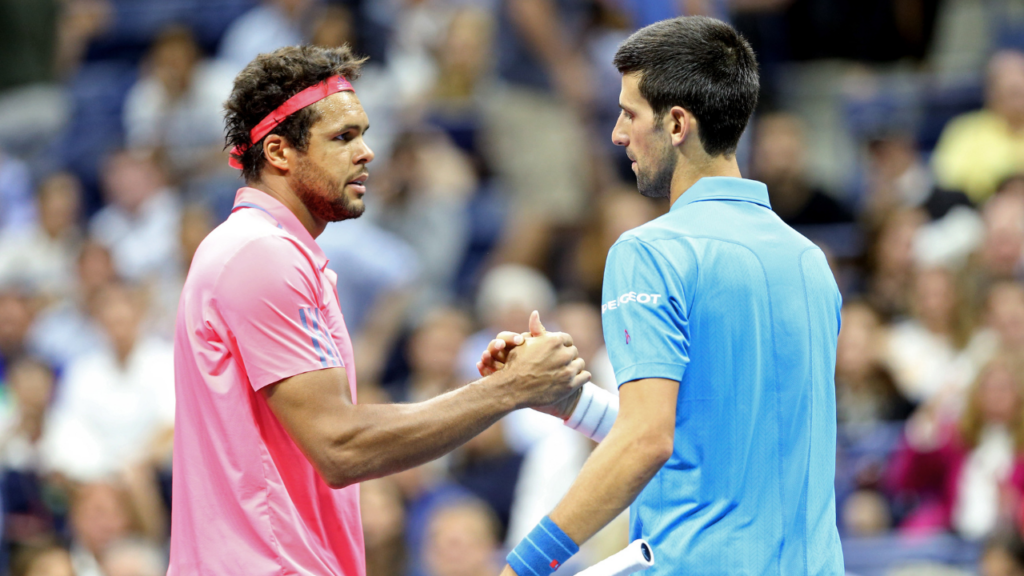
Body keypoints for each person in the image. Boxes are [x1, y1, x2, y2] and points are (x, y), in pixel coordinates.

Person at [169, 44, 589, 575]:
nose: (367, 152)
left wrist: (490, 392)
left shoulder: (263, 249)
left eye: (364, 133)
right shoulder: (262, 255)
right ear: (278, 152)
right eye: (343, 138)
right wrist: (509, 391)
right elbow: (341, 447)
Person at [482, 16, 844, 575]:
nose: (617, 134)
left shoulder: (649, 252)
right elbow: (694, 442)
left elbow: (646, 442)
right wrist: (569, 404)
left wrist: (525, 565)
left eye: (629, 114)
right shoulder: (811, 261)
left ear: (677, 124)